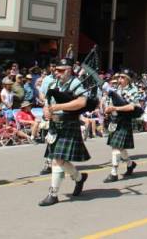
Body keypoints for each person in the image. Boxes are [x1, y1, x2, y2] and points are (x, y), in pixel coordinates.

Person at [38, 58, 89, 206]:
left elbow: (81, 102)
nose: (57, 73)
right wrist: (47, 110)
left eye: (60, 70)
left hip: (69, 123)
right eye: (56, 70)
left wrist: (58, 107)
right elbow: (47, 102)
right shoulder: (54, 84)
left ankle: (53, 194)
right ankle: (79, 178)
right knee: (60, 159)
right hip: (55, 125)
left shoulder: (76, 84)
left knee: (57, 160)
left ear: (68, 70)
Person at [103, 69, 139, 182]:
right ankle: (130, 164)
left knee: (115, 146)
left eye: (123, 78)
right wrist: (107, 108)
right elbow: (109, 101)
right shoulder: (116, 89)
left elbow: (132, 107)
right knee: (119, 146)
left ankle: (113, 173)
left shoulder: (133, 90)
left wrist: (116, 108)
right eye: (119, 77)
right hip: (114, 120)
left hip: (124, 120)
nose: (120, 80)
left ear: (128, 79)